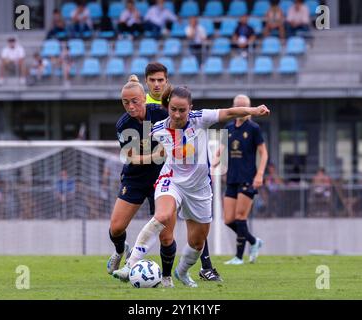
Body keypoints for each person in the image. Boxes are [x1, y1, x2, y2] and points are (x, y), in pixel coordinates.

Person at [112, 87, 270, 287]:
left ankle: (182, 272)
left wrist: (254, 110)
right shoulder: (158, 129)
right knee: (162, 216)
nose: (177, 115)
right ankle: (130, 265)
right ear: (168, 108)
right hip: (171, 181)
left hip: (199, 189)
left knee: (197, 242)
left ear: (190, 108)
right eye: (174, 109)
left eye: (182, 110)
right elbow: (136, 149)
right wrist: (135, 158)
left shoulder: (201, 118)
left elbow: (228, 112)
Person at [145, 62, 222, 281]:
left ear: (167, 81)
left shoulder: (190, 114)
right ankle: (140, 265)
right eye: (153, 80)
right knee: (164, 229)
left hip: (194, 180)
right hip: (167, 177)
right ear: (146, 81)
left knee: (197, 235)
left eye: (161, 80)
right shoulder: (145, 108)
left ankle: (197, 267)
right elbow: (143, 141)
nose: (157, 84)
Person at [106, 74, 177, 288]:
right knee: (116, 228)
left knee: (166, 237)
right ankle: (121, 250)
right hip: (135, 178)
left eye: (134, 101)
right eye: (125, 102)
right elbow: (131, 158)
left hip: (164, 179)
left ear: (144, 99)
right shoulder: (123, 124)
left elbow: (171, 147)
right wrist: (155, 156)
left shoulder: (161, 115)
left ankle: (166, 278)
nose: (130, 106)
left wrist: (158, 156)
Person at [212, 95, 268, 265]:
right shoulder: (228, 127)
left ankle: (238, 257)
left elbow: (263, 153)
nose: (242, 110)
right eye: (239, 106)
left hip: (247, 178)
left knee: (240, 217)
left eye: (245, 106)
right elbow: (220, 150)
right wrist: (213, 163)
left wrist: (259, 175)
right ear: (235, 107)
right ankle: (253, 241)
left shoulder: (253, 128)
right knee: (228, 219)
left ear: (249, 108)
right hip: (232, 178)